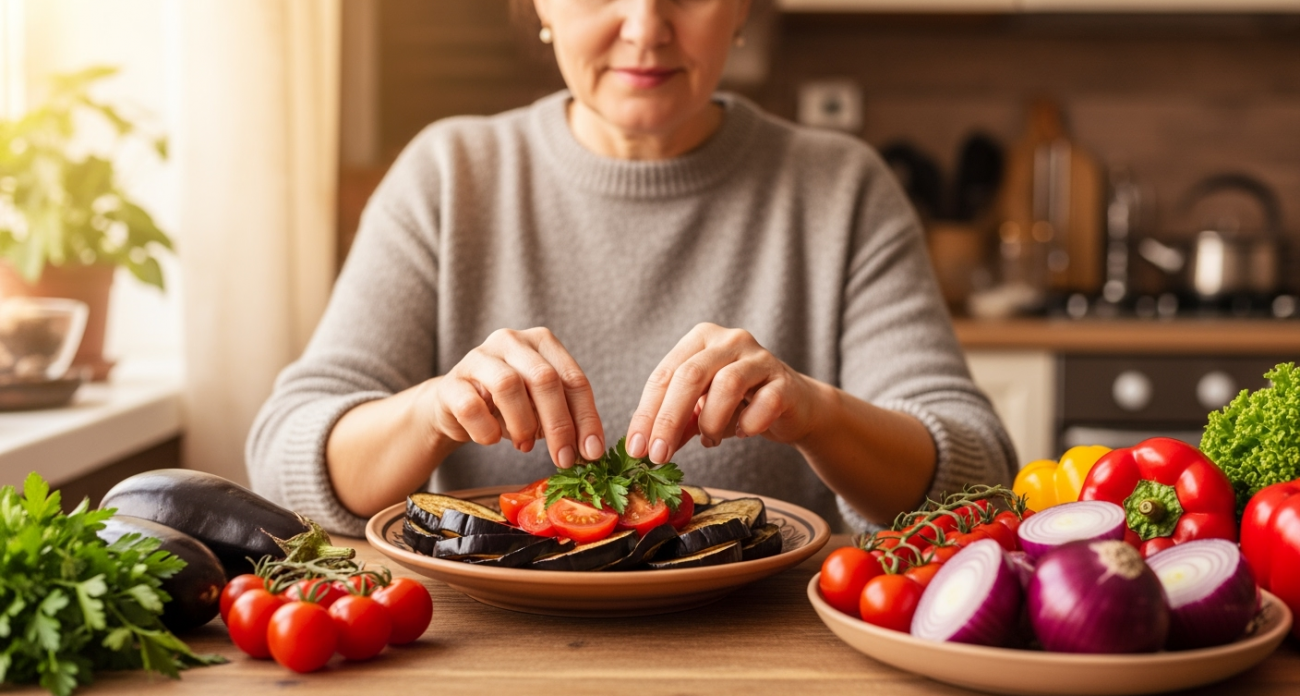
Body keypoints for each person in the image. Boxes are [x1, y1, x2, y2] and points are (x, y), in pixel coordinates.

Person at [246, 0, 1016, 537]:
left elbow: (977, 474)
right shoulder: (450, 175)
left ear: (743, 7)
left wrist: (816, 412)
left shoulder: (842, 187)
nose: (646, 29)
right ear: (538, 4)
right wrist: (432, 411)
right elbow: (283, 460)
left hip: (766, 656)